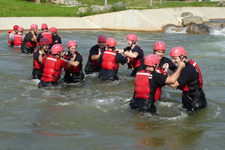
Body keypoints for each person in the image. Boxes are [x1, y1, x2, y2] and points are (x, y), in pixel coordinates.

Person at [168, 47, 207, 112]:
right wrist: (167, 70)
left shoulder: (188, 69)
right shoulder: (188, 65)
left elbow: (173, 84)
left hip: (195, 101)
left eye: (175, 58)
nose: (173, 61)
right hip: (189, 97)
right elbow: (178, 76)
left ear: (182, 56)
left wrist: (158, 79)